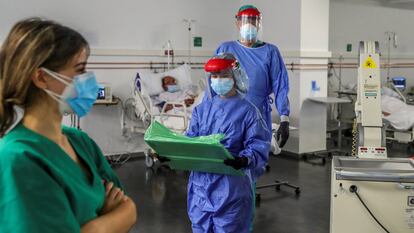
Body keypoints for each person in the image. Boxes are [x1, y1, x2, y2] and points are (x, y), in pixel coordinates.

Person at [0, 18, 136, 233]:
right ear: (42, 77)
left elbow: (128, 208)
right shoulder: (18, 159)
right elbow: (123, 214)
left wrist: (93, 227)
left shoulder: (79, 142)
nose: (88, 80)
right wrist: (106, 223)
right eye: (79, 70)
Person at [186, 53, 269, 233]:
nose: (218, 80)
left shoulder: (249, 112)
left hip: (231, 189)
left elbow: (258, 144)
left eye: (224, 75)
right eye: (214, 76)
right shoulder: (201, 111)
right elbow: (189, 143)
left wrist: (243, 160)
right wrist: (169, 154)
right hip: (201, 188)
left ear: (235, 77)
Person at [214, 5, 290, 151]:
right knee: (228, 157)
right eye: (244, 20)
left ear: (258, 24)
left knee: (253, 159)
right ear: (237, 23)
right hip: (228, 114)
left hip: (258, 115)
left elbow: (281, 85)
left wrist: (284, 119)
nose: (248, 24)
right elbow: (214, 85)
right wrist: (208, 113)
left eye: (253, 21)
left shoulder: (270, 51)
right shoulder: (225, 49)